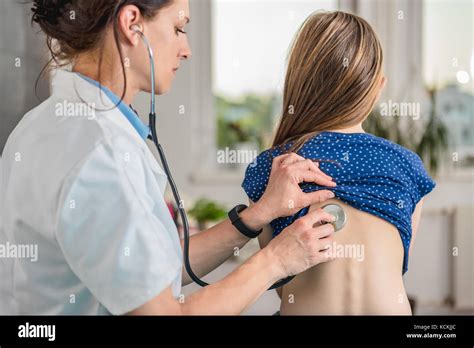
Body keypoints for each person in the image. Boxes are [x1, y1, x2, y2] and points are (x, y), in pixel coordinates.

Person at [0, 0, 338, 315]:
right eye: (178, 28)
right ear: (133, 24)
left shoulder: (43, 123)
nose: (187, 50)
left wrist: (258, 215)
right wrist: (277, 261)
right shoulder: (100, 153)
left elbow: (147, 269)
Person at [242, 10, 436, 315]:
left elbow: (280, 282)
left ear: (299, 83)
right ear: (377, 89)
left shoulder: (272, 168)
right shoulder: (408, 167)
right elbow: (394, 267)